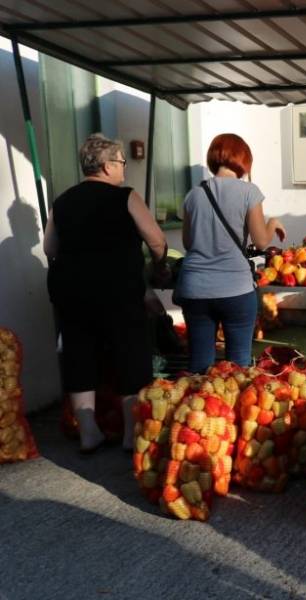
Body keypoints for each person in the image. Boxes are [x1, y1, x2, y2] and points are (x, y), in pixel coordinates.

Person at [44, 133, 168, 453]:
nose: (124, 167)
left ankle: (88, 432)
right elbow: (156, 240)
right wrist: (159, 263)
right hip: (118, 289)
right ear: (106, 165)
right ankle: (130, 435)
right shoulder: (125, 197)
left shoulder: (63, 201)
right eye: (121, 161)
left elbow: (50, 248)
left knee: (79, 354)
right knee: (129, 353)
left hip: (71, 291)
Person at [174, 133, 285, 374]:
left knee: (200, 366)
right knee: (237, 368)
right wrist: (273, 222)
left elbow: (187, 241)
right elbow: (261, 241)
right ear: (243, 160)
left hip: (196, 289)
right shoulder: (248, 192)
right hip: (235, 289)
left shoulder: (194, 194)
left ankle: (196, 402)